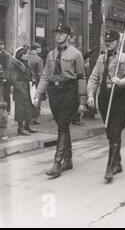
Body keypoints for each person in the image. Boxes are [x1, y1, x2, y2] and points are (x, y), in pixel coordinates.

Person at [33, 24, 87, 178]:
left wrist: (82, 101)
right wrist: (38, 94)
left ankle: (57, 162)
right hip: (54, 92)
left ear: (68, 36)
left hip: (69, 91)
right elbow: (45, 76)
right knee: (61, 124)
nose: (58, 36)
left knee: (63, 124)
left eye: (62, 33)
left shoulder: (76, 54)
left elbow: (81, 78)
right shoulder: (51, 54)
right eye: (57, 33)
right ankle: (68, 160)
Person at [87, 30, 125, 183]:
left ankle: (110, 167)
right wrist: (90, 95)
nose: (108, 44)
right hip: (105, 98)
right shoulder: (101, 59)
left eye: (111, 41)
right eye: (106, 41)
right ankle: (117, 162)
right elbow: (94, 78)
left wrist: (120, 82)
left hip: (119, 97)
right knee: (110, 131)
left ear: (118, 42)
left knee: (115, 130)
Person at [8, 47, 37, 135]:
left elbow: (29, 73)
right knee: (20, 109)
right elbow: (12, 79)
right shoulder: (13, 64)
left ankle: (27, 126)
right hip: (20, 88)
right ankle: (20, 128)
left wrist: (32, 79)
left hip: (27, 86)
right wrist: (19, 88)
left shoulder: (25, 62)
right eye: (24, 54)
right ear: (20, 55)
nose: (26, 55)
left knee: (30, 107)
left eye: (26, 53)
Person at [27, 43, 44, 125]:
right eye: (40, 48)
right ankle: (35, 118)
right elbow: (40, 74)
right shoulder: (39, 59)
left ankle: (28, 117)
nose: (41, 50)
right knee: (37, 99)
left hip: (26, 81)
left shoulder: (25, 56)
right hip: (36, 82)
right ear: (37, 49)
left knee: (28, 98)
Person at [0, 39, 12, 113]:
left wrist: (5, 77)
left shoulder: (6, 55)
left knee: (6, 94)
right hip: (1, 76)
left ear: (3, 46)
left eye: (0, 44)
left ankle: (8, 110)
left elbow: (8, 67)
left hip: (6, 78)